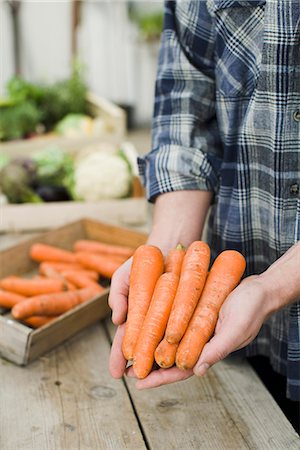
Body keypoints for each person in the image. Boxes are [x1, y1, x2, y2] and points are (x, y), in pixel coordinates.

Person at [109, 0, 300, 410]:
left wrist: (273, 286)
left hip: (248, 299)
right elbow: (185, 122)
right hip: (240, 319)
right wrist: (163, 254)